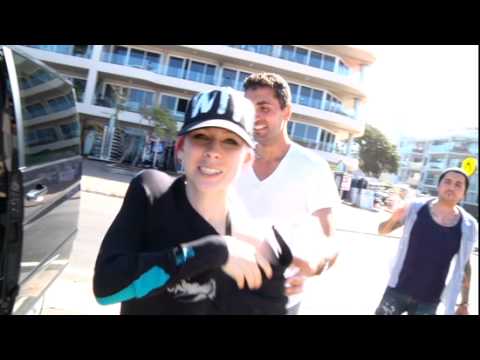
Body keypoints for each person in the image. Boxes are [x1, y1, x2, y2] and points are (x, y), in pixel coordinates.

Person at [93, 87, 292, 315]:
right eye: (201, 137)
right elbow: (106, 289)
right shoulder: (153, 193)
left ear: (247, 158)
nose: (213, 151)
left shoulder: (258, 247)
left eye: (230, 141)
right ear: (180, 148)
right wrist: (215, 251)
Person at [235, 73, 341, 315]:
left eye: (264, 107)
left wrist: (313, 265)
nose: (256, 116)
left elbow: (330, 240)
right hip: (223, 293)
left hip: (278, 302)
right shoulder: (233, 157)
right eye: (249, 108)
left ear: (287, 111)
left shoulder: (312, 167)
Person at [375, 167, 477, 315]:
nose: (451, 187)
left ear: (464, 193)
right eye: (447, 182)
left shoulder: (467, 225)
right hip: (397, 290)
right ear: (439, 186)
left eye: (458, 184)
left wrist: (464, 303)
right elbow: (382, 231)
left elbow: (465, 265)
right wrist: (394, 218)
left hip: (429, 300)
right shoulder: (415, 208)